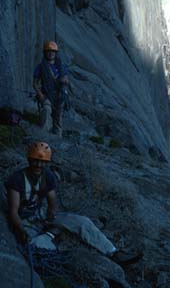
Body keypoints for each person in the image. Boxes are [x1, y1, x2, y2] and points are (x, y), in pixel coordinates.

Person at [4, 141, 143, 266]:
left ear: (47, 163)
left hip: (40, 215)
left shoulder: (47, 176)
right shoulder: (17, 179)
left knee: (82, 222)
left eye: (42, 162)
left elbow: (52, 199)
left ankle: (113, 252)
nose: (38, 165)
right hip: (25, 220)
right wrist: (21, 230)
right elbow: (13, 211)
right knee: (34, 245)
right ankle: (51, 236)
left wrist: (52, 214)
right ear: (29, 160)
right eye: (35, 161)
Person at [33, 41, 69, 136]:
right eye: (48, 51)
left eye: (53, 51)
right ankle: (44, 135)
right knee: (46, 110)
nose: (51, 53)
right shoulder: (41, 67)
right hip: (46, 94)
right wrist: (40, 95)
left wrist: (64, 81)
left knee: (58, 117)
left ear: (55, 53)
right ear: (45, 52)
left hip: (59, 95)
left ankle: (57, 138)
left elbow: (66, 79)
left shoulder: (61, 66)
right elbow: (35, 83)